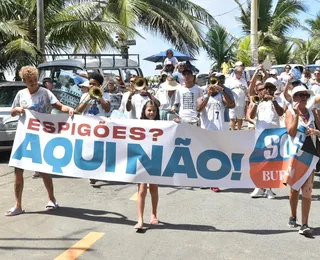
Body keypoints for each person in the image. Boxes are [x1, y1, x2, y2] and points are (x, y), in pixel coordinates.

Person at [5, 66, 75, 216]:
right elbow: (12, 112)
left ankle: (52, 199)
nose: (33, 83)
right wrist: (17, 110)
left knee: (43, 170)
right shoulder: (20, 94)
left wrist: (68, 108)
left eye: (35, 80)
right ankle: (18, 205)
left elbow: (59, 105)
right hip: (24, 137)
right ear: (24, 81)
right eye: (30, 81)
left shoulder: (45, 93)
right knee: (18, 170)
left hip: (41, 136)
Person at [285, 86, 317, 236]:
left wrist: (316, 132)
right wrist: (297, 115)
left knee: (308, 189)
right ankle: (293, 215)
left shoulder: (313, 113)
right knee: (294, 188)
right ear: (294, 97)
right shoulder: (290, 112)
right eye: (300, 95)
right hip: (295, 155)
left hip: (310, 155)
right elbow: (291, 132)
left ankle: (304, 224)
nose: (304, 97)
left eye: (305, 94)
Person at [248, 78, 284, 199]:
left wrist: (273, 101)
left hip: (274, 135)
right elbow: (251, 116)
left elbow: (281, 113)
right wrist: (257, 103)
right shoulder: (257, 101)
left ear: (274, 90)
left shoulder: (277, 100)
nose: (268, 90)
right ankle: (258, 186)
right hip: (260, 135)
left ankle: (269, 188)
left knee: (271, 163)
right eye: (266, 88)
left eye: (271, 88)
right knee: (259, 162)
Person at [76, 72, 111, 185]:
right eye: (90, 84)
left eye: (94, 84)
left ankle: (98, 172)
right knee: (88, 149)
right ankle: (91, 173)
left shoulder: (105, 95)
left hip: (100, 126)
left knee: (99, 150)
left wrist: (100, 97)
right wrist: (87, 99)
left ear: (99, 85)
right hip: (87, 126)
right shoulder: (84, 95)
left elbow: (107, 108)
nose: (91, 86)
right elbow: (78, 110)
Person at [135, 100, 160, 229]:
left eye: (154, 110)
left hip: (155, 158)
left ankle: (154, 214)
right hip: (142, 158)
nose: (151, 113)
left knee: (154, 188)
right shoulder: (138, 124)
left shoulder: (162, 124)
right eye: (149, 110)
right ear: (144, 111)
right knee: (142, 189)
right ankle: (140, 219)